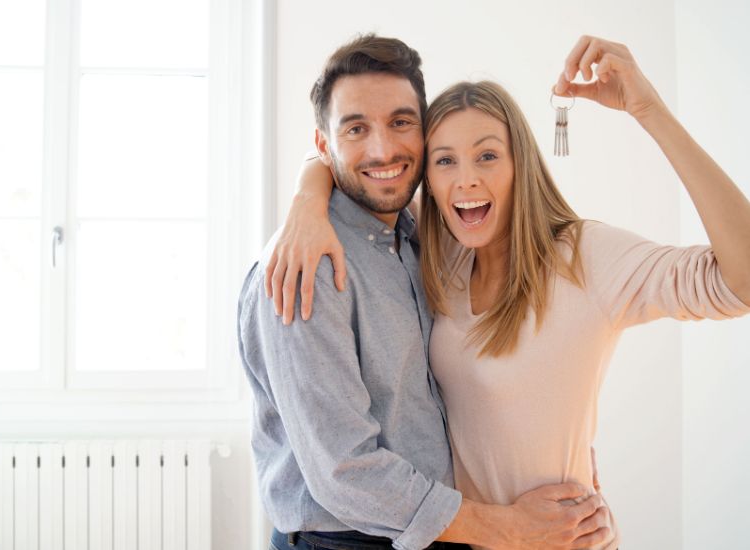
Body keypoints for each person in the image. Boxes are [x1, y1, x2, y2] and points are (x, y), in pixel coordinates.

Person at [266, 35, 750, 550]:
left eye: (488, 156)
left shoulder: (585, 256)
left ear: (520, 162)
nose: (466, 180)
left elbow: (739, 283)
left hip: (562, 538)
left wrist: (649, 110)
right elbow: (363, 157)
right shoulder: (441, 253)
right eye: (446, 161)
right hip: (469, 541)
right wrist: (307, 197)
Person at [238, 34, 612, 550]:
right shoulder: (305, 268)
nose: (383, 149)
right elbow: (345, 471)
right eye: (355, 128)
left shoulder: (420, 238)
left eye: (400, 122)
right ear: (325, 145)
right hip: (346, 541)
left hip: (435, 532)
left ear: (424, 134)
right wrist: (511, 528)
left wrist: (565, 471)